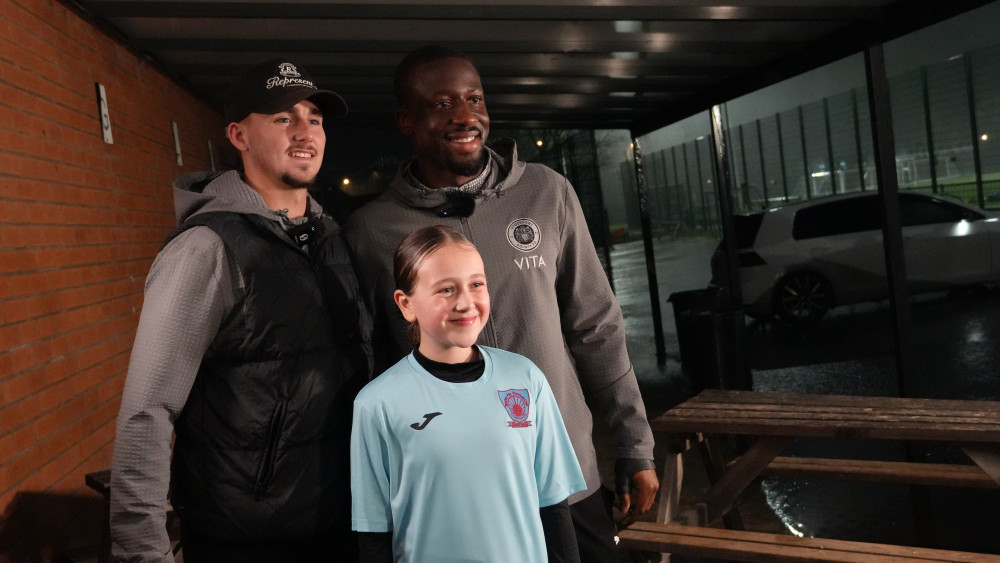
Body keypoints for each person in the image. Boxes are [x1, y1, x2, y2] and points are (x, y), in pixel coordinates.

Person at [344, 45, 658, 561]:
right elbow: (371, 361)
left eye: (474, 99)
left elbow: (596, 326)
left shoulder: (545, 192)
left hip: (566, 478)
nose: (465, 116)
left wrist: (634, 442)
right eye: (443, 104)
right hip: (458, 498)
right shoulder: (371, 231)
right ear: (407, 120)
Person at [110, 58, 371, 562]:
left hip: (341, 521)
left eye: (314, 118)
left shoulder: (332, 237)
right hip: (249, 538)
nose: (305, 132)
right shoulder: (207, 248)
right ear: (238, 135)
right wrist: (142, 551)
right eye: (282, 118)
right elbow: (147, 411)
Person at [351, 225, 586, 562]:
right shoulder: (377, 404)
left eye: (476, 284)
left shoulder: (524, 378)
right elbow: (374, 534)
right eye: (446, 289)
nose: (465, 302)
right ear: (406, 304)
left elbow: (553, 506)